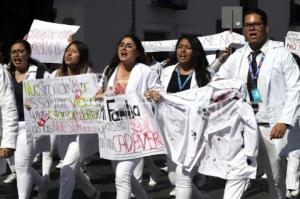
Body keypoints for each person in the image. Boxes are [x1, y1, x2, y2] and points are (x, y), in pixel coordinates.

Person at [215, 8, 300, 199]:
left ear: (266, 27)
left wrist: (284, 121)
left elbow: (296, 88)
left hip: (271, 127)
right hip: (243, 127)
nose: (252, 29)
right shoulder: (237, 57)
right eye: (248, 25)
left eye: (257, 24)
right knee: (236, 175)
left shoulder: (281, 54)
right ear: (243, 29)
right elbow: (219, 82)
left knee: (276, 178)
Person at [96, 34, 161, 199]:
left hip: (137, 131)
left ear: (138, 52)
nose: (124, 48)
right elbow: (100, 92)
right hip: (114, 132)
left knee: (122, 175)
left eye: (129, 46)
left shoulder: (146, 71)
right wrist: (100, 95)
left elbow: (159, 92)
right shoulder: (109, 70)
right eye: (121, 45)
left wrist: (154, 94)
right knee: (126, 176)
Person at [152, 34, 210, 199]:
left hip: (192, 132)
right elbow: (157, 94)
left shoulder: (205, 75)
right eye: (180, 47)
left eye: (188, 47)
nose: (183, 51)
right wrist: (154, 95)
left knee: (182, 174)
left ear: (195, 52)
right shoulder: (166, 72)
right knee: (173, 178)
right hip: (169, 131)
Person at [51, 40, 101, 199]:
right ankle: (92, 192)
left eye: (73, 51)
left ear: (82, 56)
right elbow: (44, 97)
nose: (68, 53)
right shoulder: (55, 75)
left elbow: (96, 101)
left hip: (83, 131)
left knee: (66, 169)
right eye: (67, 50)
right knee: (71, 166)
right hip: (63, 129)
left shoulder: (88, 77)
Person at [9, 40, 56, 199]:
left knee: (22, 166)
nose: (16, 54)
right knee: (21, 164)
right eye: (13, 51)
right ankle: (43, 184)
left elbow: (57, 95)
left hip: (31, 127)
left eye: (20, 51)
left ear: (28, 54)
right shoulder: (6, 75)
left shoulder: (41, 74)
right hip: (10, 127)